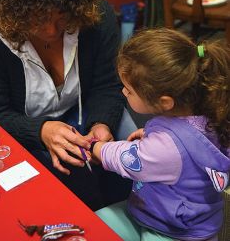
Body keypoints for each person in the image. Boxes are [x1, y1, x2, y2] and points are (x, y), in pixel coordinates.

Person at [0, 0, 135, 210]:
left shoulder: (93, 13)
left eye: (61, 17)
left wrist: (101, 124)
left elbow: (107, 83)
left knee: (128, 183)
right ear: (12, 13)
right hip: (21, 128)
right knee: (55, 200)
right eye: (36, 20)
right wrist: (40, 130)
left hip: (83, 114)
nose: (52, 31)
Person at [92, 28, 230, 241]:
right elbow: (184, 140)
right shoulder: (207, 112)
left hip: (178, 232)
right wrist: (150, 133)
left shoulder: (165, 149)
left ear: (164, 102)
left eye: (129, 90)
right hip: (158, 213)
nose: (123, 92)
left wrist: (98, 148)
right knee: (95, 221)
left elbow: (128, 159)